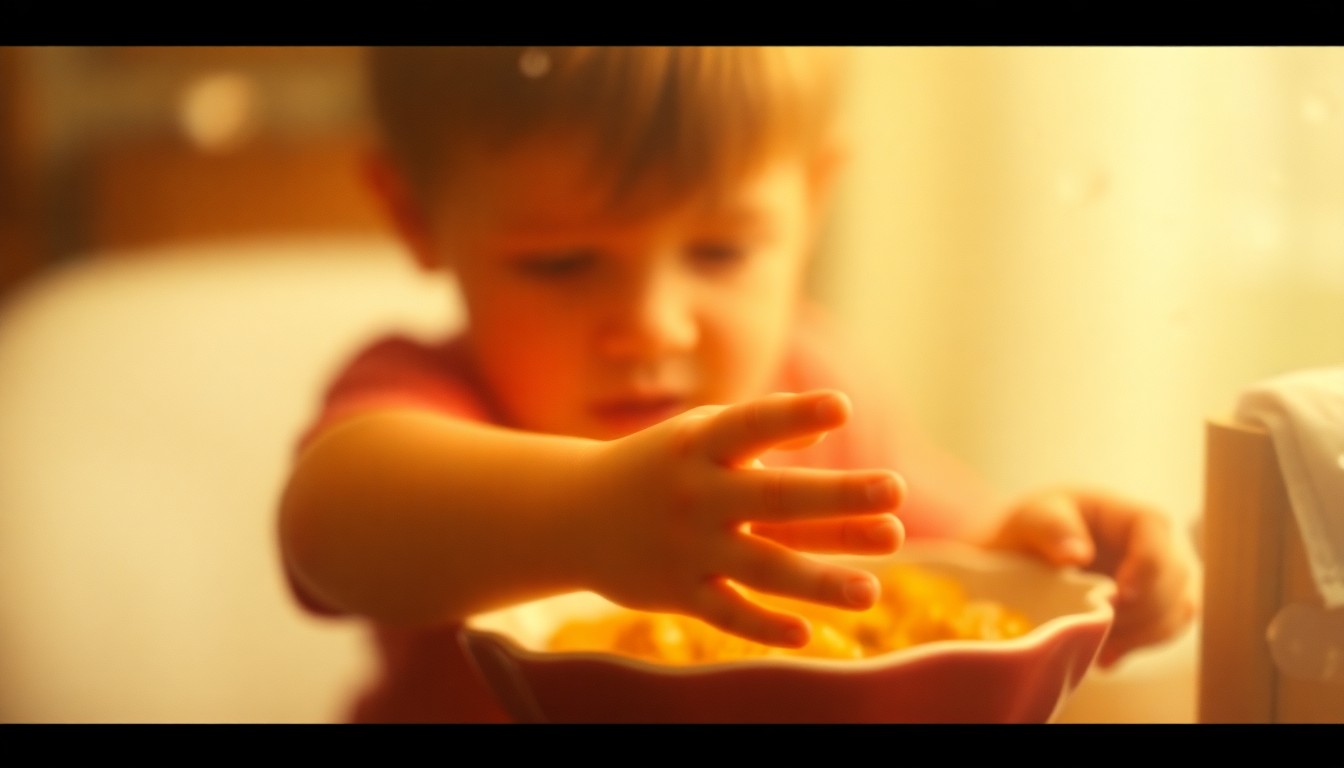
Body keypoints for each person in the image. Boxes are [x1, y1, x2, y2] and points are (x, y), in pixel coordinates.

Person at [278, 46, 1199, 722]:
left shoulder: (815, 384)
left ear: (812, 204)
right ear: (413, 212)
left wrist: (1055, 554)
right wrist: (590, 514)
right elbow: (328, 525)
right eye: (561, 263)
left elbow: (940, 571)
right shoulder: (436, 394)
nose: (655, 324)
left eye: (719, 251)